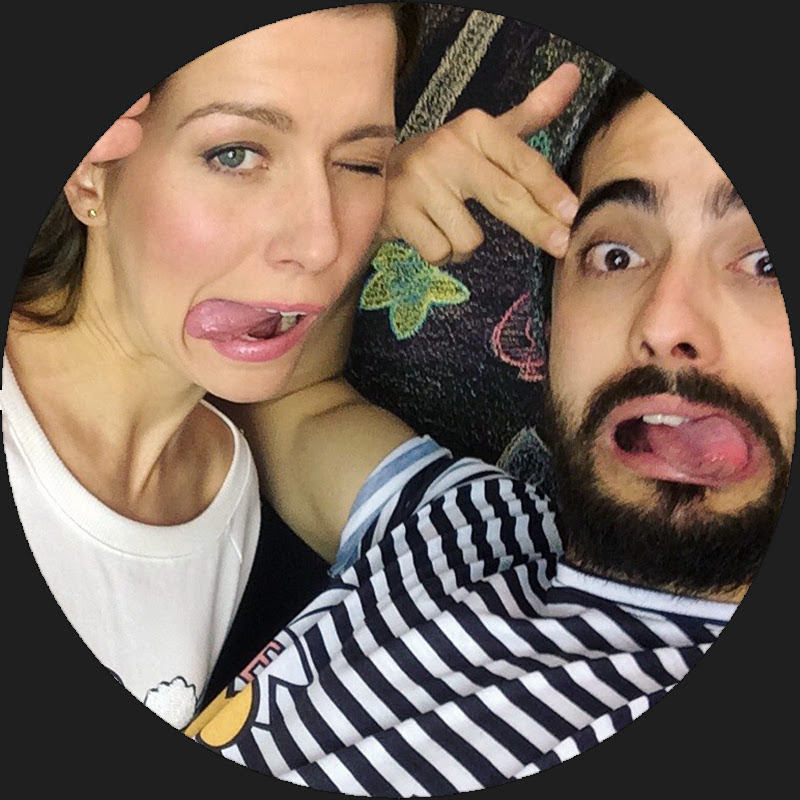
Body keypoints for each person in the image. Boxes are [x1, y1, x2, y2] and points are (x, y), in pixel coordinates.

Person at [184, 71, 794, 795]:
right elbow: (286, 398)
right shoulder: (475, 526)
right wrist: (356, 212)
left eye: (765, 265)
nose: (664, 323)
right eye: (616, 257)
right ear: (551, 331)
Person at [1, 5, 422, 730]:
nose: (320, 243)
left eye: (359, 165)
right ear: (90, 174)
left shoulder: (241, 509)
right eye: (234, 155)